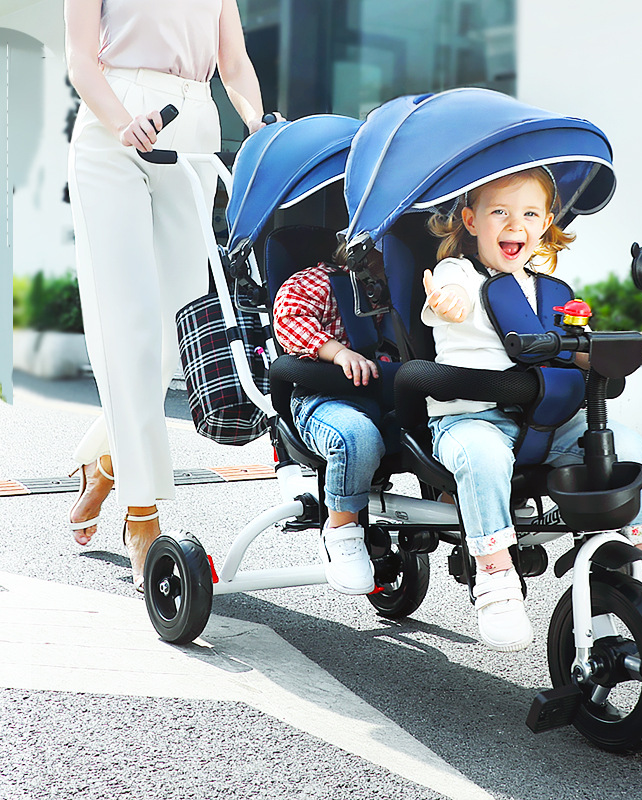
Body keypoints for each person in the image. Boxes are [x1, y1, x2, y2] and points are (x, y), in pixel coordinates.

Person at [422, 166, 642, 652]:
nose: (515, 225)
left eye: (529, 213)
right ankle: (495, 575)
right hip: (472, 416)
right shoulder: (457, 275)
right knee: (481, 456)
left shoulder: (550, 290)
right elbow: (457, 302)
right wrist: (446, 304)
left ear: (546, 222)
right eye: (499, 212)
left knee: (626, 442)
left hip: (546, 420)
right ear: (470, 220)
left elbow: (580, 349)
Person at [65, 0, 268, 592]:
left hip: (195, 124)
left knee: (179, 330)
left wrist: (258, 127)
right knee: (126, 325)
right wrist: (120, 119)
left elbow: (234, 62)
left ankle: (104, 460)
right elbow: (82, 60)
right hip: (113, 127)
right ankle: (143, 513)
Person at [271, 252, 392, 595]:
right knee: (357, 437)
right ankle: (341, 529)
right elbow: (290, 316)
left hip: (385, 396)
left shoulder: (400, 286)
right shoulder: (323, 281)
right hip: (322, 397)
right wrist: (336, 351)